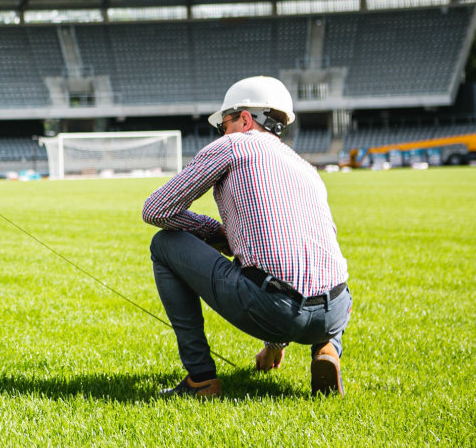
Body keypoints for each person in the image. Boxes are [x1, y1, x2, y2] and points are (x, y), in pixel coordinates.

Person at [142, 76, 351, 398]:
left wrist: (215, 234)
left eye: (223, 124)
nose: (222, 133)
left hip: (275, 308)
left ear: (244, 119)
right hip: (335, 311)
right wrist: (273, 346)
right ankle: (327, 348)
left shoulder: (232, 145)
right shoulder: (306, 168)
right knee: (315, 278)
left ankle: (201, 380)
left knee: (165, 244)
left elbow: (156, 210)